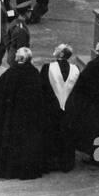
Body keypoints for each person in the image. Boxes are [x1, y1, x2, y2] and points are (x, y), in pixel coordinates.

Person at [0, 47, 47, 179]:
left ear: (19, 58)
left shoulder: (9, 75)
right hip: (28, 120)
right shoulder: (34, 74)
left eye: (16, 54)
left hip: (10, 120)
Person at [40, 43, 80, 172]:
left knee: (52, 135)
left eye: (57, 48)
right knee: (67, 136)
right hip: (69, 108)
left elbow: (42, 88)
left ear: (62, 54)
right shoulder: (75, 69)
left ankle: (51, 162)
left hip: (51, 107)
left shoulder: (47, 68)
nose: (55, 49)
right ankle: (66, 164)